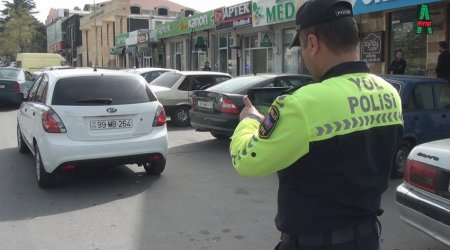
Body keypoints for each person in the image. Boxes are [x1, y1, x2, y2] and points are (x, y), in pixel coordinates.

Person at [229, 0, 403, 249]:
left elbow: (246, 160)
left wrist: (248, 121)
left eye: (301, 46)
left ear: (312, 43)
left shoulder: (302, 104)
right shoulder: (390, 94)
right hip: (367, 239)